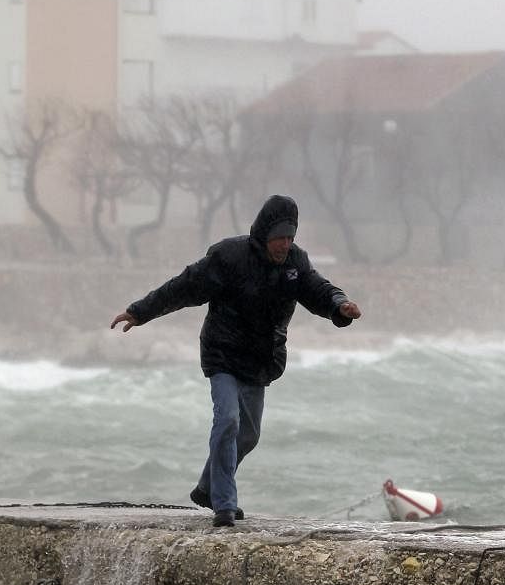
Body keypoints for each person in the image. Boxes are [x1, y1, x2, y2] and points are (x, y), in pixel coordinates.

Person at [110, 195, 362, 527]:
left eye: (290, 237)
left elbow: (318, 289)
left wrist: (339, 304)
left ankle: (207, 488)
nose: (285, 244)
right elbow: (184, 286)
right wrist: (140, 311)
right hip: (223, 354)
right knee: (228, 419)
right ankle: (224, 505)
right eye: (279, 237)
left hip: (259, 360)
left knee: (248, 435)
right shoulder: (230, 257)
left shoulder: (294, 263)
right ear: (264, 234)